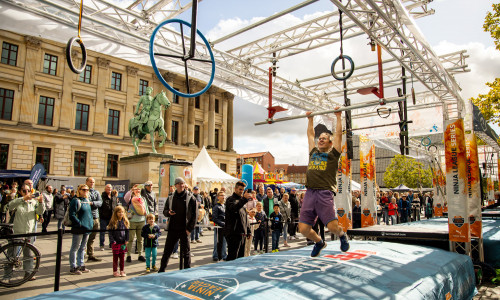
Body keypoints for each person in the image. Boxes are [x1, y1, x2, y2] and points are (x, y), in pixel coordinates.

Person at [299, 109, 350, 257]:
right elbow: (310, 134)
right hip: (309, 192)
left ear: (330, 143)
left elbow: (339, 135)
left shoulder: (334, 155)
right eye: (319, 137)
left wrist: (338, 117)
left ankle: (341, 235)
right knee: (303, 229)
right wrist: (310, 119)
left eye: (324, 138)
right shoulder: (313, 152)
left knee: (332, 226)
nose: (320, 139)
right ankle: (319, 242)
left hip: (324, 192)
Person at [2, 184, 45, 282]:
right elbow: (9, 206)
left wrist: (41, 202)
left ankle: (28, 273)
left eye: (28, 191)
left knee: (28, 254)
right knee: (11, 255)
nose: (26, 193)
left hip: (29, 232)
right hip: (17, 231)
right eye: (24, 191)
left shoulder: (33, 202)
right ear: (20, 192)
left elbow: (40, 211)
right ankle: (7, 276)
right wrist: (23, 198)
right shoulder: (18, 201)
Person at [158, 178, 197, 272]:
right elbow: (165, 211)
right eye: (179, 184)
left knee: (186, 252)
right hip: (173, 229)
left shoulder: (190, 197)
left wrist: (189, 229)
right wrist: (168, 212)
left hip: (184, 229)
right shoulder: (171, 197)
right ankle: (161, 270)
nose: (181, 185)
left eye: (182, 183)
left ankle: (187, 270)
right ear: (175, 185)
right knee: (167, 251)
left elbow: (195, 215)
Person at [68, 184, 93, 275]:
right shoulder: (75, 200)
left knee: (83, 247)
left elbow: (89, 214)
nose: (86, 191)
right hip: (79, 228)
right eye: (84, 189)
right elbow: (72, 215)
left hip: (87, 227)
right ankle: (73, 267)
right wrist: (79, 223)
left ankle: (81, 264)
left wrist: (91, 224)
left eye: (87, 190)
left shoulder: (87, 200)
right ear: (79, 190)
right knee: (75, 247)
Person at [224, 182, 250, 261]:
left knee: (241, 256)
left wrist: (248, 230)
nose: (241, 191)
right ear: (235, 189)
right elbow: (234, 208)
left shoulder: (241, 200)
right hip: (233, 232)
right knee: (232, 256)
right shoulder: (230, 199)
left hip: (242, 232)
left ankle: (238, 271)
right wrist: (244, 199)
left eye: (243, 190)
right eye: (240, 189)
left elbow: (245, 217)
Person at [126, 185, 149, 262]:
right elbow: (126, 198)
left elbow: (146, 208)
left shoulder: (143, 198)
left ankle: (140, 254)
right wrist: (130, 190)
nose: (137, 191)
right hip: (132, 221)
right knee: (130, 239)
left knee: (140, 239)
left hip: (141, 221)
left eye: (139, 189)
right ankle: (128, 255)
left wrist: (148, 219)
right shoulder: (131, 198)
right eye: (136, 189)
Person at [108, 206, 129, 277]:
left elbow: (127, 232)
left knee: (122, 258)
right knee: (115, 258)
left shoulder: (125, 221)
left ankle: (122, 271)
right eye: (119, 212)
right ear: (116, 213)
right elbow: (110, 233)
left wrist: (127, 239)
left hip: (122, 243)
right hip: (116, 243)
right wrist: (112, 241)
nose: (121, 213)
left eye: (122, 212)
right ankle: (115, 271)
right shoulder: (113, 222)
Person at [85, 177, 103, 262]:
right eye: (90, 182)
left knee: (92, 237)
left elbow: (100, 202)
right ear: (87, 182)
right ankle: (82, 254)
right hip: (85, 217)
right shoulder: (84, 190)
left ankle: (90, 254)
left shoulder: (96, 192)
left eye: (93, 182)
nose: (92, 183)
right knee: (84, 237)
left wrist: (92, 203)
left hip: (95, 217)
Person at [99, 184, 116, 250]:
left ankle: (111, 244)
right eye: (107, 188)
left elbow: (115, 205)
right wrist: (101, 214)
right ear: (105, 189)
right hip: (104, 217)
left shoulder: (113, 196)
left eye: (110, 188)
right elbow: (100, 207)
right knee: (102, 232)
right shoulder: (102, 196)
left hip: (112, 217)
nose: (109, 189)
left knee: (111, 232)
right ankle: (102, 245)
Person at [212, 191, 227, 262]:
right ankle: (215, 255)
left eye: (224, 195)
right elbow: (214, 218)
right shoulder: (216, 206)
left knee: (224, 242)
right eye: (221, 195)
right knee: (217, 242)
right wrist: (222, 224)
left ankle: (224, 255)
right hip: (219, 227)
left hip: (225, 227)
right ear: (218, 197)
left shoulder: (225, 206)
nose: (223, 197)